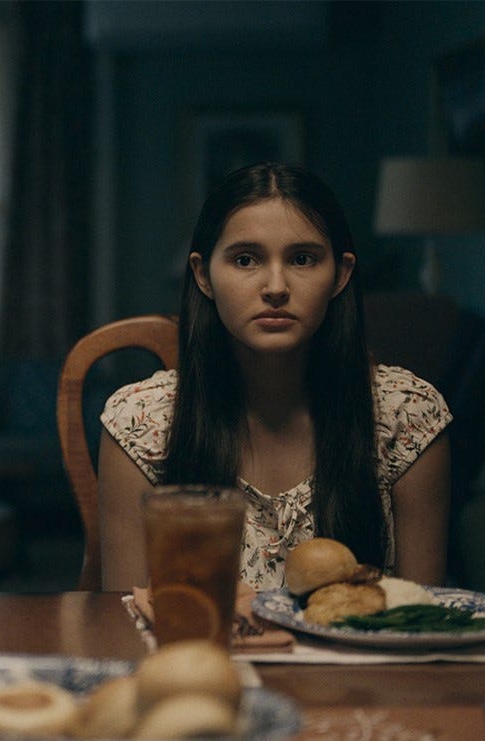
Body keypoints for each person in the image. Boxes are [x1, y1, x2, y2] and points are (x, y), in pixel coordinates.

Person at [97, 162, 452, 592]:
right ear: (203, 275)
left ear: (340, 274)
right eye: (246, 259)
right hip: (199, 656)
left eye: (302, 259)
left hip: (362, 660)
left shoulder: (408, 416)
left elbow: (421, 625)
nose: (276, 286)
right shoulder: (142, 423)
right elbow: (124, 622)